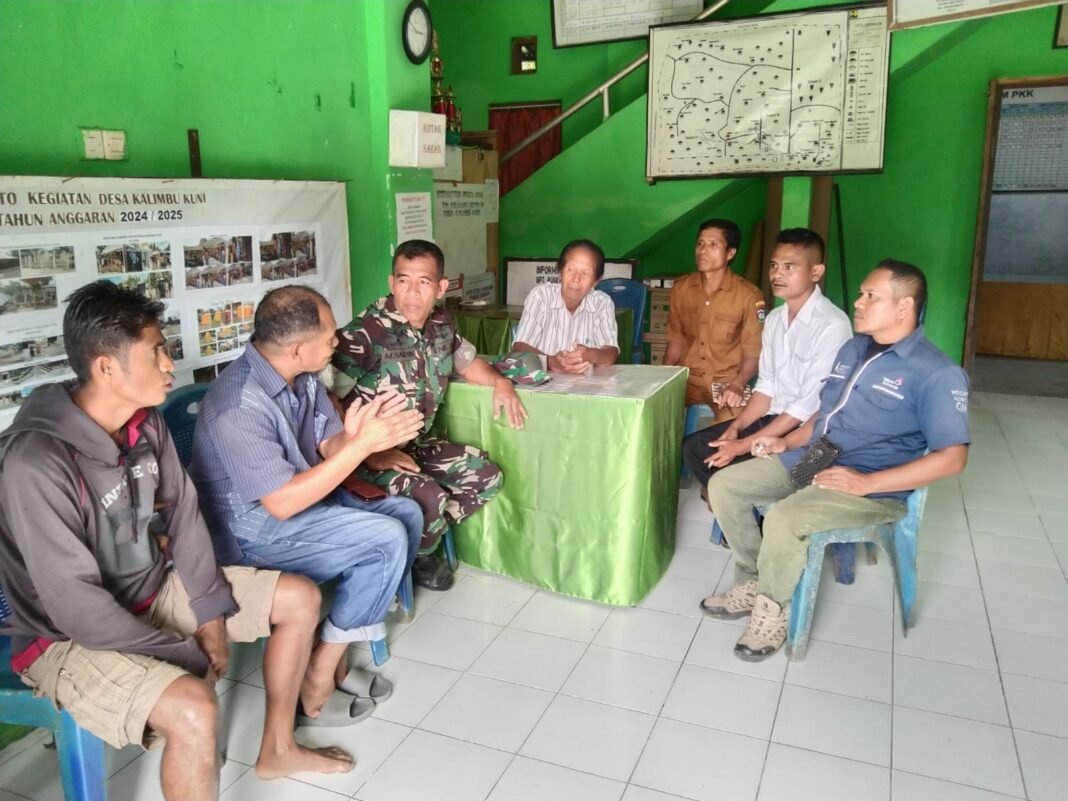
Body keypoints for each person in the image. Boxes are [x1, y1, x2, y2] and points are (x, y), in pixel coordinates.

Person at [0, 282, 355, 801]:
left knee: (300, 597)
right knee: (194, 707)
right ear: (106, 368)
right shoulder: (36, 462)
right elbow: (75, 607)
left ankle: (278, 747)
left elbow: (186, 517)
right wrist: (182, 650)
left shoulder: (144, 423)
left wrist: (210, 616)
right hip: (62, 638)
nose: (170, 364)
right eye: (157, 352)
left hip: (150, 590)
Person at [700, 260, 970, 660]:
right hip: (815, 459)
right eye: (861, 293)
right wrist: (784, 440)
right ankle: (757, 579)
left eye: (870, 296)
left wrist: (867, 484)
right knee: (725, 485)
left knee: (785, 518)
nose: (858, 303)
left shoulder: (936, 372)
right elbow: (825, 414)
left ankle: (772, 608)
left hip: (870, 482)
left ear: (903, 306)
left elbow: (954, 458)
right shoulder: (855, 348)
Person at [191, 285, 425, 724]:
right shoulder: (238, 405)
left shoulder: (301, 378)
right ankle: (319, 674)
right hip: (249, 535)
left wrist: (353, 437)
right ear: (297, 348)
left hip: (299, 510)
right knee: (385, 538)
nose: (337, 341)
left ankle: (325, 650)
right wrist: (359, 449)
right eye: (330, 334)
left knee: (406, 515)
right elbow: (280, 503)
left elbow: (326, 444)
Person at [333, 239, 527, 591]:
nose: (411, 293)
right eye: (403, 281)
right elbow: (323, 399)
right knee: (430, 496)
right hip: (364, 458)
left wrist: (501, 383)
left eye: (423, 282)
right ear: (392, 283)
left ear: (440, 287)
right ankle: (417, 559)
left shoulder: (441, 322)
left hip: (417, 444)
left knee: (487, 476)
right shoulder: (367, 332)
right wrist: (367, 450)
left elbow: (466, 364)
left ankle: (421, 542)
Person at [681, 228, 852, 493]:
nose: (777, 274)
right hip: (774, 416)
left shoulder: (832, 325)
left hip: (806, 432)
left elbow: (807, 406)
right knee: (695, 446)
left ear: (816, 272)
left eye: (789, 267)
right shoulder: (774, 319)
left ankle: (738, 506)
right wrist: (737, 428)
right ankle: (732, 508)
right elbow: (767, 386)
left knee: (737, 463)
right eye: (774, 266)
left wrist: (742, 445)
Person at [665, 218, 764, 421]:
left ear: (730, 253)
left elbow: (753, 354)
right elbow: (675, 340)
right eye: (700, 243)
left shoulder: (749, 295)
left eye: (713, 245)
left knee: (733, 429)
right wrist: (663, 379)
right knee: (655, 423)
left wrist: (738, 384)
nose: (703, 250)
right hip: (685, 379)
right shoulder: (681, 288)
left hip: (727, 382)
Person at [513, 239, 619, 373]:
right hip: (543, 385)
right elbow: (520, 346)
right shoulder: (541, 296)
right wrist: (551, 362)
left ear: (596, 281)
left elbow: (611, 352)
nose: (576, 279)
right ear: (560, 271)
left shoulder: (602, 303)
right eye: (570, 269)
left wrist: (591, 355)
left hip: (586, 388)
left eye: (585, 273)